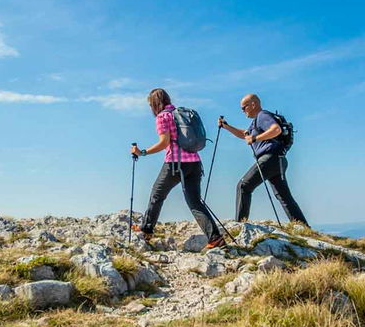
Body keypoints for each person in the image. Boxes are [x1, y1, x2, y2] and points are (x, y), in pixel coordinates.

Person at [131, 88, 226, 249]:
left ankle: (146, 229)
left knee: (157, 194)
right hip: (195, 163)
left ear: (154, 104)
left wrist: (142, 152)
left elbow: (164, 142)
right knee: (195, 202)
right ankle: (216, 239)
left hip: (175, 163)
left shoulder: (163, 117)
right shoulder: (180, 113)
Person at [217, 94, 309, 226]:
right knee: (284, 197)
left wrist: (255, 139)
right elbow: (245, 134)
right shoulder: (256, 122)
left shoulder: (263, 116)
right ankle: (303, 226)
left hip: (269, 158)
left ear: (253, 104)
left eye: (244, 107)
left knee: (243, 186)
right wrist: (227, 126)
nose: (243, 111)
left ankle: (240, 224)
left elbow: (275, 130)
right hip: (279, 160)